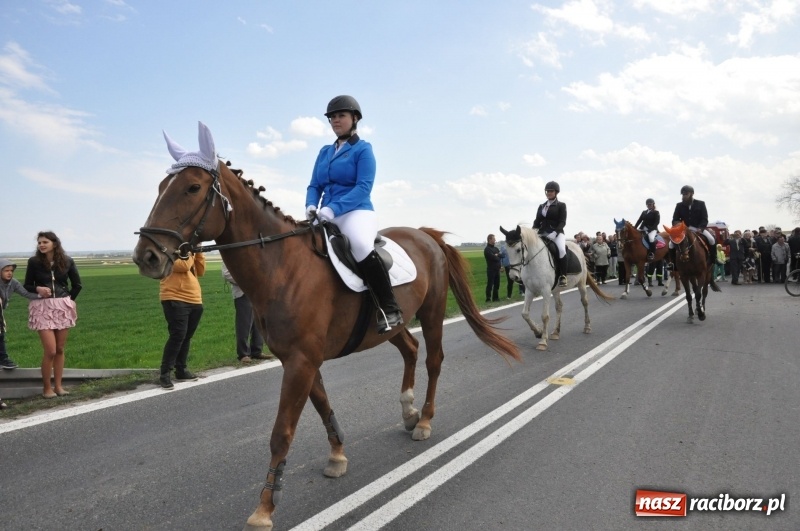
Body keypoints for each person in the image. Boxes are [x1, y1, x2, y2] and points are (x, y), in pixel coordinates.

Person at [305, 95, 402, 334]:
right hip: (325, 213)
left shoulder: (363, 149)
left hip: (356, 211)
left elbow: (363, 188)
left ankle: (389, 308)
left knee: (359, 244)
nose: (336, 120)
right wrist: (310, 205)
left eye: (341, 116)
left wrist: (332, 208)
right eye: (332, 117)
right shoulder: (324, 152)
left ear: (354, 118)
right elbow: (314, 185)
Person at [23, 231, 82, 399]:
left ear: (54, 244)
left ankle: (58, 386)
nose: (41, 245)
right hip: (42, 307)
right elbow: (27, 285)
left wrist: (69, 301)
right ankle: (46, 388)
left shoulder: (68, 261)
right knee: (50, 350)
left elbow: (77, 285)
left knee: (60, 349)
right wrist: (38, 289)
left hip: (62, 306)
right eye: (40, 242)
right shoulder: (33, 262)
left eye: (45, 242)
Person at [159, 251, 205, 390]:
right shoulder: (168, 251)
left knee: (186, 337)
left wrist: (199, 252)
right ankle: (165, 373)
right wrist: (189, 253)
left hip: (194, 298)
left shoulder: (188, 252)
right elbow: (183, 266)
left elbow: (201, 271)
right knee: (177, 335)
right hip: (174, 296)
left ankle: (181, 369)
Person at [221, 261, 271, 363]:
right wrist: (246, 281)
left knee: (258, 322)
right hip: (242, 292)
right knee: (244, 323)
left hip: (257, 291)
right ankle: (243, 353)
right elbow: (226, 274)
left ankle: (257, 350)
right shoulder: (229, 254)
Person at [1, 259, 41, 370]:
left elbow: (25, 293)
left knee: (1, 334)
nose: (9, 273)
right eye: (6, 270)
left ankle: (3, 360)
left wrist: (41, 296)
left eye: (11, 270)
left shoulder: (13, 283)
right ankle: (4, 359)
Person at [669, 185, 716, 270]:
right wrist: (679, 225)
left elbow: (704, 219)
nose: (684, 196)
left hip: (697, 228)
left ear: (692, 194)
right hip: (684, 230)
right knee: (671, 244)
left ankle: (713, 259)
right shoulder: (679, 205)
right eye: (683, 194)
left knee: (711, 239)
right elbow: (675, 219)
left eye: (686, 194)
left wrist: (701, 228)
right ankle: (673, 264)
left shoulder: (701, 204)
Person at [533, 181, 569, 286]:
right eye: (547, 191)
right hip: (542, 233)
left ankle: (563, 276)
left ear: (556, 192)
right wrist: (533, 231)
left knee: (562, 250)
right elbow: (536, 221)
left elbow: (563, 222)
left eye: (551, 191)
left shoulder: (561, 205)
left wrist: (555, 232)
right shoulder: (541, 206)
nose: (549, 193)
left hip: (557, 233)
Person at [484, 234, 502, 302]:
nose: (495, 240)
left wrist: (497, 255)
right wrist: (497, 256)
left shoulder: (496, 248)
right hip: (491, 270)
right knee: (490, 284)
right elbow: (493, 258)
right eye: (494, 239)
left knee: (497, 284)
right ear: (490, 240)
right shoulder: (487, 249)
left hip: (497, 269)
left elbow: (502, 255)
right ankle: (488, 298)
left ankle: (495, 298)